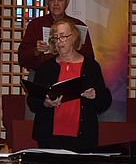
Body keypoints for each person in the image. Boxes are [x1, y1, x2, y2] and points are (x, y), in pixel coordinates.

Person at [27, 19, 111, 151]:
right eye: (56, 37)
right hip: (49, 138)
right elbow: (32, 101)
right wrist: (45, 103)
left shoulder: (91, 67)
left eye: (63, 36)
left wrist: (95, 95)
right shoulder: (45, 68)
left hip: (82, 139)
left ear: (74, 38)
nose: (60, 41)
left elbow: (105, 101)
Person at [18, 0, 94, 73]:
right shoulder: (36, 25)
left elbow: (90, 60)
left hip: (72, 75)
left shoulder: (78, 26)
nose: (56, 4)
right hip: (42, 76)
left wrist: (73, 50)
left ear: (67, 2)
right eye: (52, 0)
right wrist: (36, 51)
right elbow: (22, 59)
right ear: (47, 2)